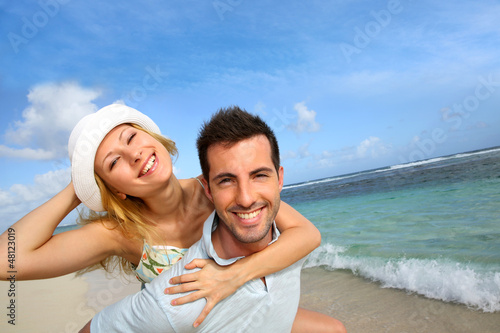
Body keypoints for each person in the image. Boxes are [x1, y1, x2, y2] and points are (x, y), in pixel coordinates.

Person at [0, 104, 344, 331]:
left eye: (132, 137)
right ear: (115, 189)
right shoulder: (121, 233)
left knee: (334, 330)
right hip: (189, 325)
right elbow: (7, 260)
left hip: (241, 307)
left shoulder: (219, 189)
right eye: (113, 162)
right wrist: (79, 187)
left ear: (154, 138)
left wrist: (233, 276)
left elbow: (306, 235)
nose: (134, 154)